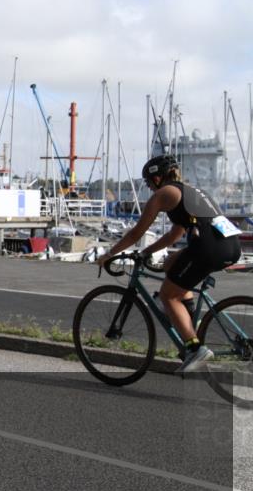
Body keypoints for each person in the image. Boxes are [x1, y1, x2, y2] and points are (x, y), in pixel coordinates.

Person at [100, 154, 241, 373]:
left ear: (157, 178)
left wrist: (109, 253)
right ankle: (188, 319)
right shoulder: (189, 190)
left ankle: (194, 348)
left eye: (148, 182)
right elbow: (175, 234)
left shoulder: (164, 194)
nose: (149, 187)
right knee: (170, 262)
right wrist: (146, 252)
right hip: (230, 245)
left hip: (208, 247)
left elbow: (137, 232)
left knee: (169, 295)